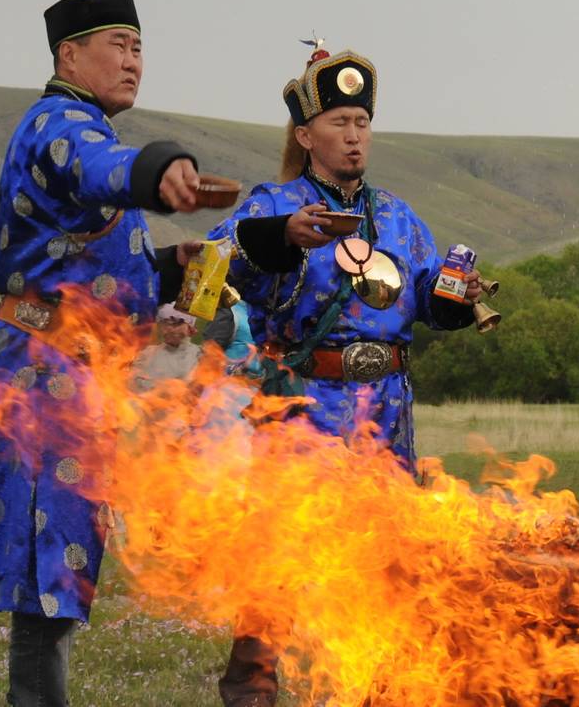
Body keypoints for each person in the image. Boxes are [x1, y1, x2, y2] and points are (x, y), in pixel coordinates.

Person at [0, 0, 227, 707]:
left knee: (64, 564)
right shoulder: (60, 124)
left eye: (139, 47)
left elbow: (103, 263)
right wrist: (161, 166)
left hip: (80, 374)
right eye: (118, 45)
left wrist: (173, 266)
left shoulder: (89, 127)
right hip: (44, 373)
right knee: (47, 571)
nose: (133, 60)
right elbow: (100, 170)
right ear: (68, 54)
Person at [206, 44, 483, 707]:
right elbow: (208, 266)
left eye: (361, 121)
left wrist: (457, 296)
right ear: (306, 135)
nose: (354, 135)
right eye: (338, 123)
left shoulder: (398, 217)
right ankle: (252, 689)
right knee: (281, 563)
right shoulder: (276, 201)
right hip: (305, 408)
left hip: (386, 410)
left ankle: (381, 691)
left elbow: (428, 304)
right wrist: (282, 236)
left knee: (392, 563)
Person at [133, 303, 204, 392]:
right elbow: (133, 387)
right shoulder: (147, 354)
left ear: (190, 328)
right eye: (166, 322)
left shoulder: (200, 356)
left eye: (178, 323)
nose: (170, 328)